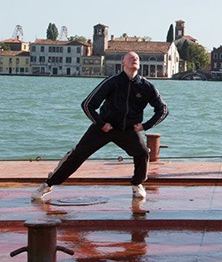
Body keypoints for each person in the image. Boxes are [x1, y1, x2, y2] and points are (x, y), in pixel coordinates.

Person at [31, 51, 168, 202]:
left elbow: (163, 110)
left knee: (142, 153)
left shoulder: (147, 87)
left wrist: (145, 126)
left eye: (137, 58)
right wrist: (101, 123)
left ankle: (137, 184)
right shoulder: (112, 82)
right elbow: (88, 105)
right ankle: (48, 184)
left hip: (128, 130)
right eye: (130, 57)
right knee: (78, 154)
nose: (134, 59)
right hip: (104, 127)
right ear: (123, 63)